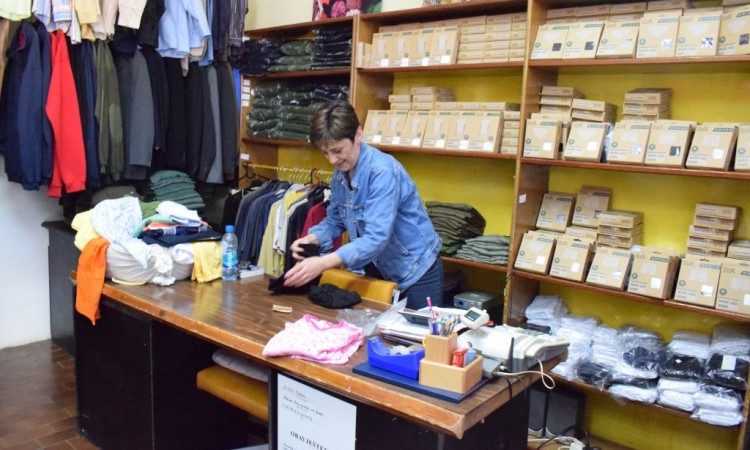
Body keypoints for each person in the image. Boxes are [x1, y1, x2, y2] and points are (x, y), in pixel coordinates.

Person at [284, 100, 444, 309]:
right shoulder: (341, 173)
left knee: (418, 330)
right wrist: (312, 238)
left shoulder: (382, 172)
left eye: (337, 150)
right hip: (377, 269)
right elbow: (335, 220)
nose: (332, 160)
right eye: (325, 153)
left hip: (416, 271)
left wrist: (323, 262)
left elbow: (376, 238)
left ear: (358, 134)